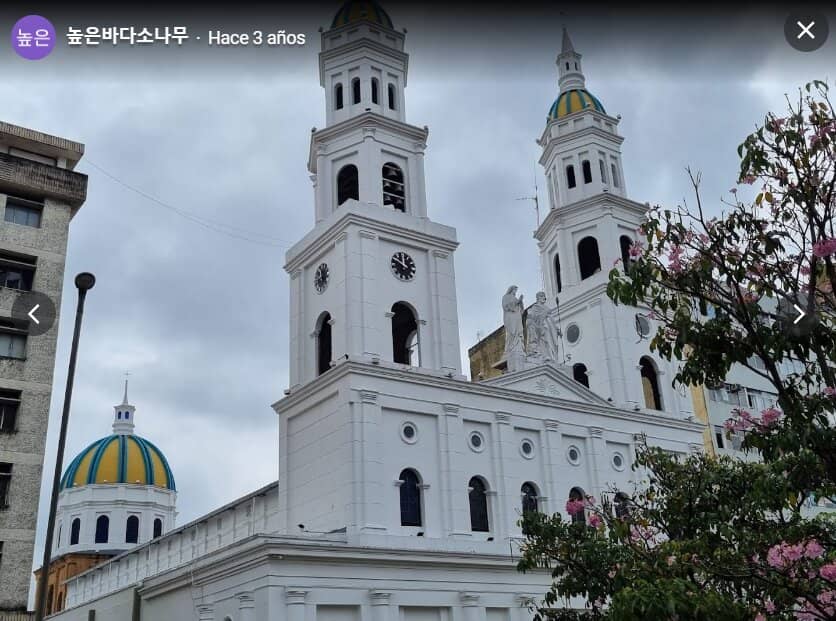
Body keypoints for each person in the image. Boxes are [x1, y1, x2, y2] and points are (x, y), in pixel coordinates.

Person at [526, 291, 560, 362]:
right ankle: (547, 356)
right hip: (543, 328)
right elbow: (534, 318)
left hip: (551, 328)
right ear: (538, 298)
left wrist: (557, 329)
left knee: (553, 344)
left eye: (544, 296)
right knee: (546, 342)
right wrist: (545, 313)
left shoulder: (546, 308)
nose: (544, 298)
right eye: (542, 296)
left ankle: (553, 358)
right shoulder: (535, 307)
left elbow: (552, 320)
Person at [503, 286, 525, 366]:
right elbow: (506, 306)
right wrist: (517, 302)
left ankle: (518, 347)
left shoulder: (515, 298)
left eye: (516, 290)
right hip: (510, 317)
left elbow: (521, 310)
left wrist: (521, 302)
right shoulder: (506, 297)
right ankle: (510, 348)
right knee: (511, 333)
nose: (515, 292)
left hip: (517, 318)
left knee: (518, 332)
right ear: (511, 290)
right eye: (515, 290)